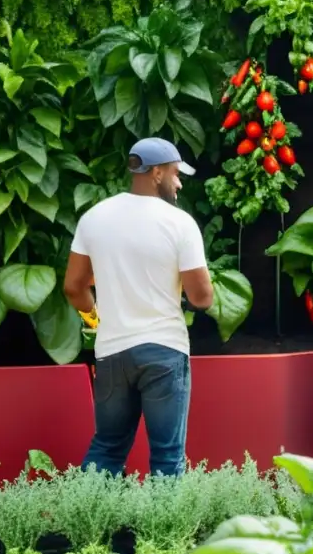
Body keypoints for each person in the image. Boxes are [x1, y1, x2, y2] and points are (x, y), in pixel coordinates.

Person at [63, 137, 214, 477]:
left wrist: (96, 318)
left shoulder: (94, 217)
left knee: (107, 447)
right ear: (156, 172)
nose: (178, 183)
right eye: (176, 174)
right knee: (167, 456)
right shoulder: (179, 224)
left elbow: (74, 286)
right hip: (164, 351)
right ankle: (165, 532)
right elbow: (203, 297)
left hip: (112, 351)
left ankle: (85, 525)